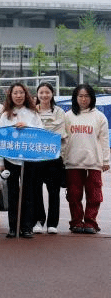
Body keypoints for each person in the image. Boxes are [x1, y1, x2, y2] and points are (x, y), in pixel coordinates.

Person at [0, 83, 43, 238]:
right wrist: (0, 163)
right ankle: (13, 227)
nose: (18, 96)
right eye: (15, 93)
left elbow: (41, 132)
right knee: (12, 193)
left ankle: (27, 227)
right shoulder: (5, 115)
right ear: (10, 95)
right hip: (11, 159)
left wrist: (27, 127)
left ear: (26, 94)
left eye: (21, 92)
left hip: (29, 159)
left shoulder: (33, 113)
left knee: (28, 193)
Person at [63, 84, 110, 234]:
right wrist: (62, 158)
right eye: (80, 96)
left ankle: (90, 222)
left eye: (87, 96)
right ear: (75, 98)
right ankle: (76, 222)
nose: (83, 99)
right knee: (74, 195)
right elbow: (63, 140)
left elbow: (104, 140)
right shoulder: (68, 116)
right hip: (73, 162)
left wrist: (106, 161)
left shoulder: (99, 117)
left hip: (94, 162)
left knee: (94, 195)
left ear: (92, 98)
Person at [33, 82, 66, 234]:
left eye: (47, 92)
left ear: (52, 94)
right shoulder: (32, 110)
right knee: (36, 191)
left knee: (54, 191)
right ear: (37, 94)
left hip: (54, 157)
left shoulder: (59, 112)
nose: (44, 95)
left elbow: (58, 133)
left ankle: (52, 223)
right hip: (35, 157)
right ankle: (38, 221)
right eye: (41, 92)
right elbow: (31, 132)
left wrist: (40, 132)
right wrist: (45, 132)